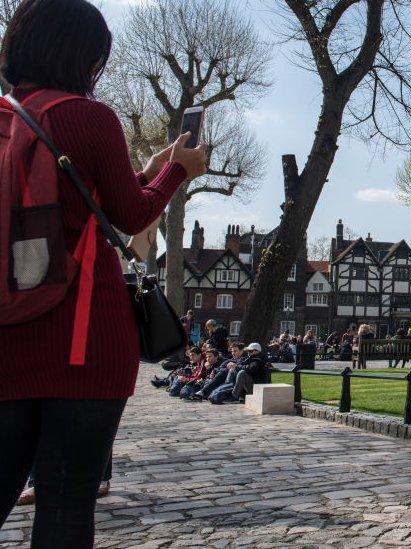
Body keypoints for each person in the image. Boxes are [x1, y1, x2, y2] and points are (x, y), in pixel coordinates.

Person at [0, 0, 207, 543]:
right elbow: (131, 213)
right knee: (66, 505)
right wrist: (175, 173)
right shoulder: (89, 118)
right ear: (81, 56)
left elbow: (75, 198)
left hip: (6, 336)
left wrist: (146, 169)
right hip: (80, 340)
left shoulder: (5, 120)